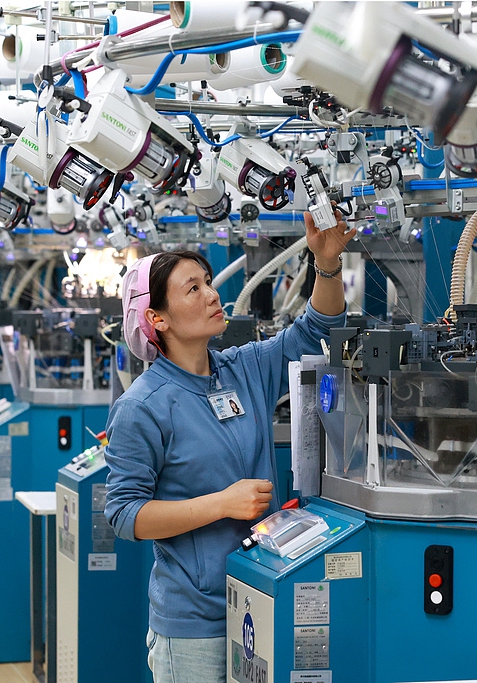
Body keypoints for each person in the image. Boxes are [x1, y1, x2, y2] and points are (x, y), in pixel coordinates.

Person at [103, 208, 354, 683]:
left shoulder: (243, 369)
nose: (213, 294)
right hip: (195, 625)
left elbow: (313, 330)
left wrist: (326, 265)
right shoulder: (143, 406)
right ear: (156, 318)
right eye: (192, 289)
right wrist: (221, 504)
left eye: (208, 282)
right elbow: (125, 516)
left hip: (262, 593)